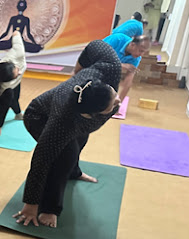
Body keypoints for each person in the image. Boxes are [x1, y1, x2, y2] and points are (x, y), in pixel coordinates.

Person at [13, 40, 121, 228]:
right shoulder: (63, 122)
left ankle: (74, 173)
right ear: (90, 114)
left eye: (113, 93)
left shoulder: (110, 69)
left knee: (80, 141)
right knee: (64, 157)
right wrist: (31, 204)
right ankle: (49, 208)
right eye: (113, 102)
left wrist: (77, 70)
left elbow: (95, 45)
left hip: (75, 115)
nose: (118, 98)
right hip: (39, 116)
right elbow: (41, 160)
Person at [76, 33, 149, 104]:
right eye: (140, 51)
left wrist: (119, 103)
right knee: (79, 79)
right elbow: (98, 59)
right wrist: (122, 65)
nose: (141, 54)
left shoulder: (136, 58)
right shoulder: (117, 39)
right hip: (90, 60)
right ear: (132, 45)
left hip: (104, 70)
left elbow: (128, 81)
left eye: (144, 52)